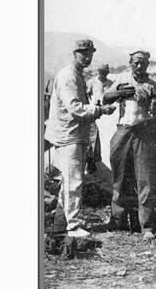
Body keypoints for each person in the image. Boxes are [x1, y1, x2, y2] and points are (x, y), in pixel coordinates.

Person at [45, 39, 116, 238]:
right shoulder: (68, 76)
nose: (88, 56)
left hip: (74, 134)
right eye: (83, 53)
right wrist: (100, 110)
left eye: (90, 53)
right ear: (74, 53)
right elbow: (75, 108)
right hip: (69, 134)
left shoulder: (77, 75)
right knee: (73, 181)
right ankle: (73, 226)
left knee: (69, 181)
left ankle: (61, 223)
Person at [102, 50, 156, 239]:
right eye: (136, 62)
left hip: (144, 133)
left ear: (148, 64)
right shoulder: (122, 79)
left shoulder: (153, 85)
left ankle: (146, 225)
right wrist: (117, 93)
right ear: (130, 63)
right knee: (120, 177)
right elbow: (105, 98)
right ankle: (118, 220)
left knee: (144, 179)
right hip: (123, 130)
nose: (139, 66)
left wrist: (154, 107)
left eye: (143, 63)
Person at [86, 63, 113, 172]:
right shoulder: (91, 82)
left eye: (105, 72)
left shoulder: (111, 83)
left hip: (107, 112)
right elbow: (87, 94)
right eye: (101, 72)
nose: (103, 74)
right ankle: (92, 160)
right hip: (95, 111)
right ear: (98, 72)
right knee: (93, 135)